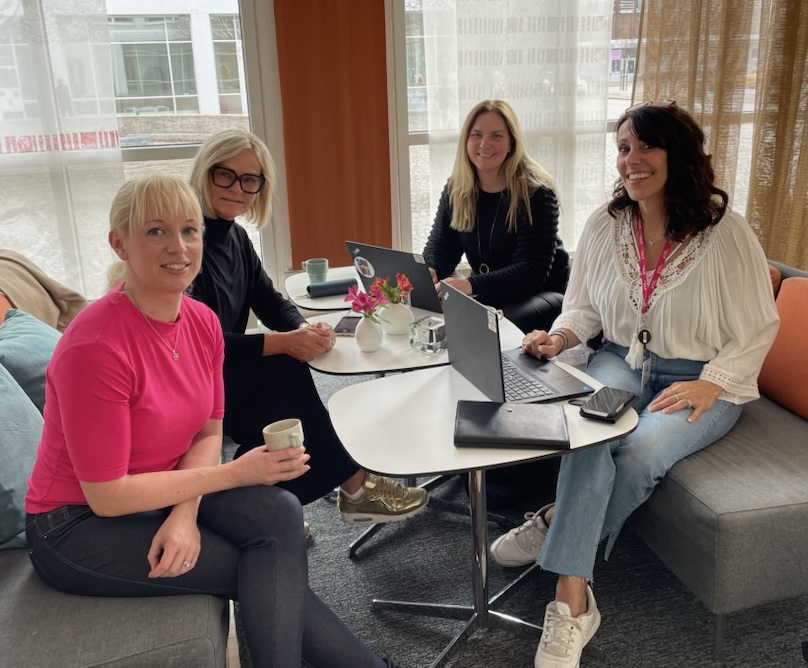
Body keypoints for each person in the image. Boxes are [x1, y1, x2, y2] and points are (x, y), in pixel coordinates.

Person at [24, 175, 402, 667]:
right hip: (77, 524)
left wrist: (185, 513)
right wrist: (235, 473)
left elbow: (208, 428)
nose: (178, 247)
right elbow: (108, 495)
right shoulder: (95, 347)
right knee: (257, 566)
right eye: (156, 231)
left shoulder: (201, 322)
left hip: (161, 489)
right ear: (120, 244)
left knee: (280, 510)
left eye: (189, 230)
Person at [489, 102, 780, 668]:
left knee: (641, 453)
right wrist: (559, 337)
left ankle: (555, 538)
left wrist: (714, 382)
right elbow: (584, 308)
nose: (632, 160)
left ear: (679, 154)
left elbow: (759, 326)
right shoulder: (606, 223)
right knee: (591, 434)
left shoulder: (726, 232)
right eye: (624, 148)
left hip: (700, 377)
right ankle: (574, 596)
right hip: (621, 360)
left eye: (647, 146)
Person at [187, 129, 428, 523]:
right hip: (193, 379)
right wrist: (284, 343)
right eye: (225, 175)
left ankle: (274, 505)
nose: (237, 188)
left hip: (223, 367)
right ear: (205, 172)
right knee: (283, 373)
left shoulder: (237, 238)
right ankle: (354, 487)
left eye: (249, 180)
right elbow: (197, 343)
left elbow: (269, 299)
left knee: (286, 373)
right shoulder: (189, 243)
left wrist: (302, 328)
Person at [422, 99, 570, 335]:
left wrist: (470, 284)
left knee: (490, 327)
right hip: (492, 290)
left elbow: (530, 271)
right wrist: (432, 270)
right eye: (476, 135)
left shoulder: (536, 193)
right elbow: (442, 246)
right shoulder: (457, 189)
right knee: (439, 313)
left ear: (512, 143)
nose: (484, 144)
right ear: (466, 141)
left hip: (543, 293)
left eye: (496, 136)